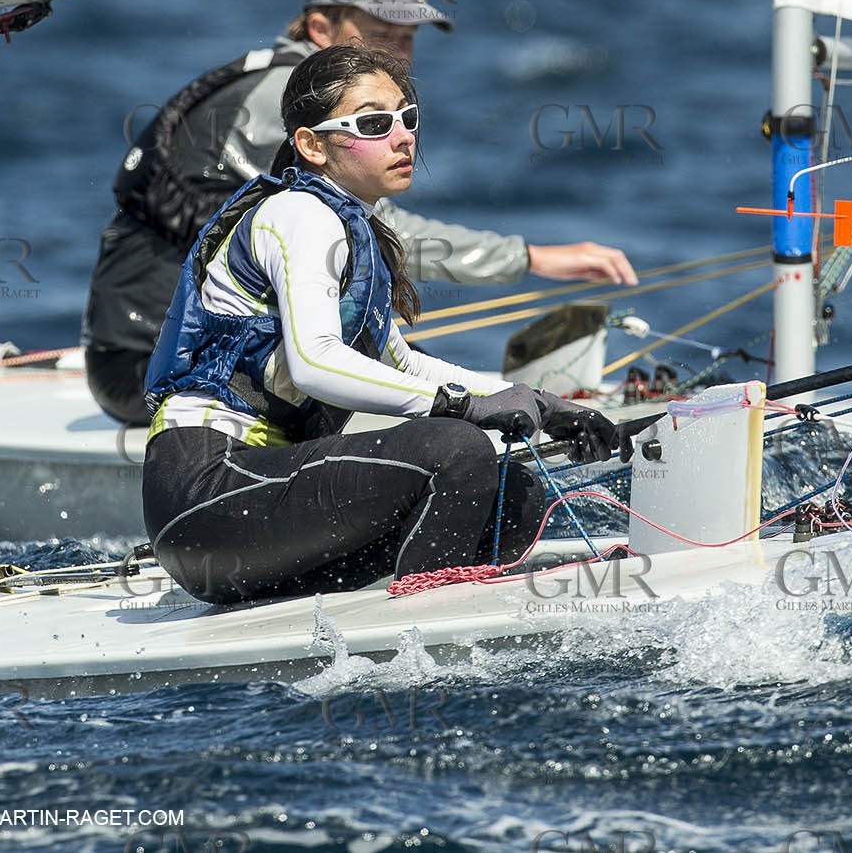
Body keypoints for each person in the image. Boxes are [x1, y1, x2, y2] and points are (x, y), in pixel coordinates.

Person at [85, 0, 637, 425]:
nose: (402, 54)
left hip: (227, 356)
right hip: (155, 369)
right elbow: (383, 239)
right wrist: (532, 258)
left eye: (410, 37)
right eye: (382, 35)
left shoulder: (311, 88)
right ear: (321, 27)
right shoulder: (290, 101)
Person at [141, 45, 630, 604]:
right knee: (456, 449)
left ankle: (408, 604)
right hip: (205, 493)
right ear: (311, 145)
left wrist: (538, 403)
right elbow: (316, 363)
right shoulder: (298, 215)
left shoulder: (353, 227)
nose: (403, 137)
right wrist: (460, 407)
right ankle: (421, 628)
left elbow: (400, 364)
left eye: (408, 116)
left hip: (251, 499)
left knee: (513, 497)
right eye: (374, 124)